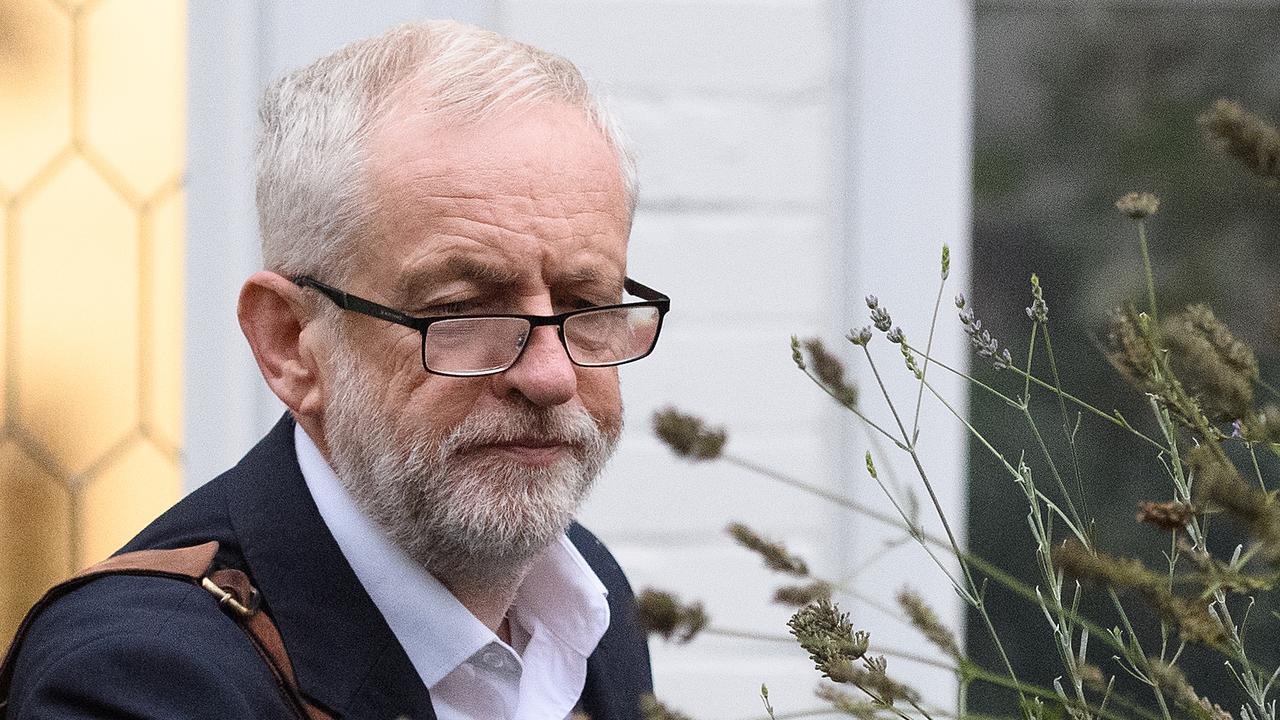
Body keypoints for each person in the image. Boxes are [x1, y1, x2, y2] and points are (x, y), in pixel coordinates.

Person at [3, 20, 664, 720]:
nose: (550, 376)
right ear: (289, 343)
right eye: (464, 311)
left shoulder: (587, 603)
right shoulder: (141, 678)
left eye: (586, 304)